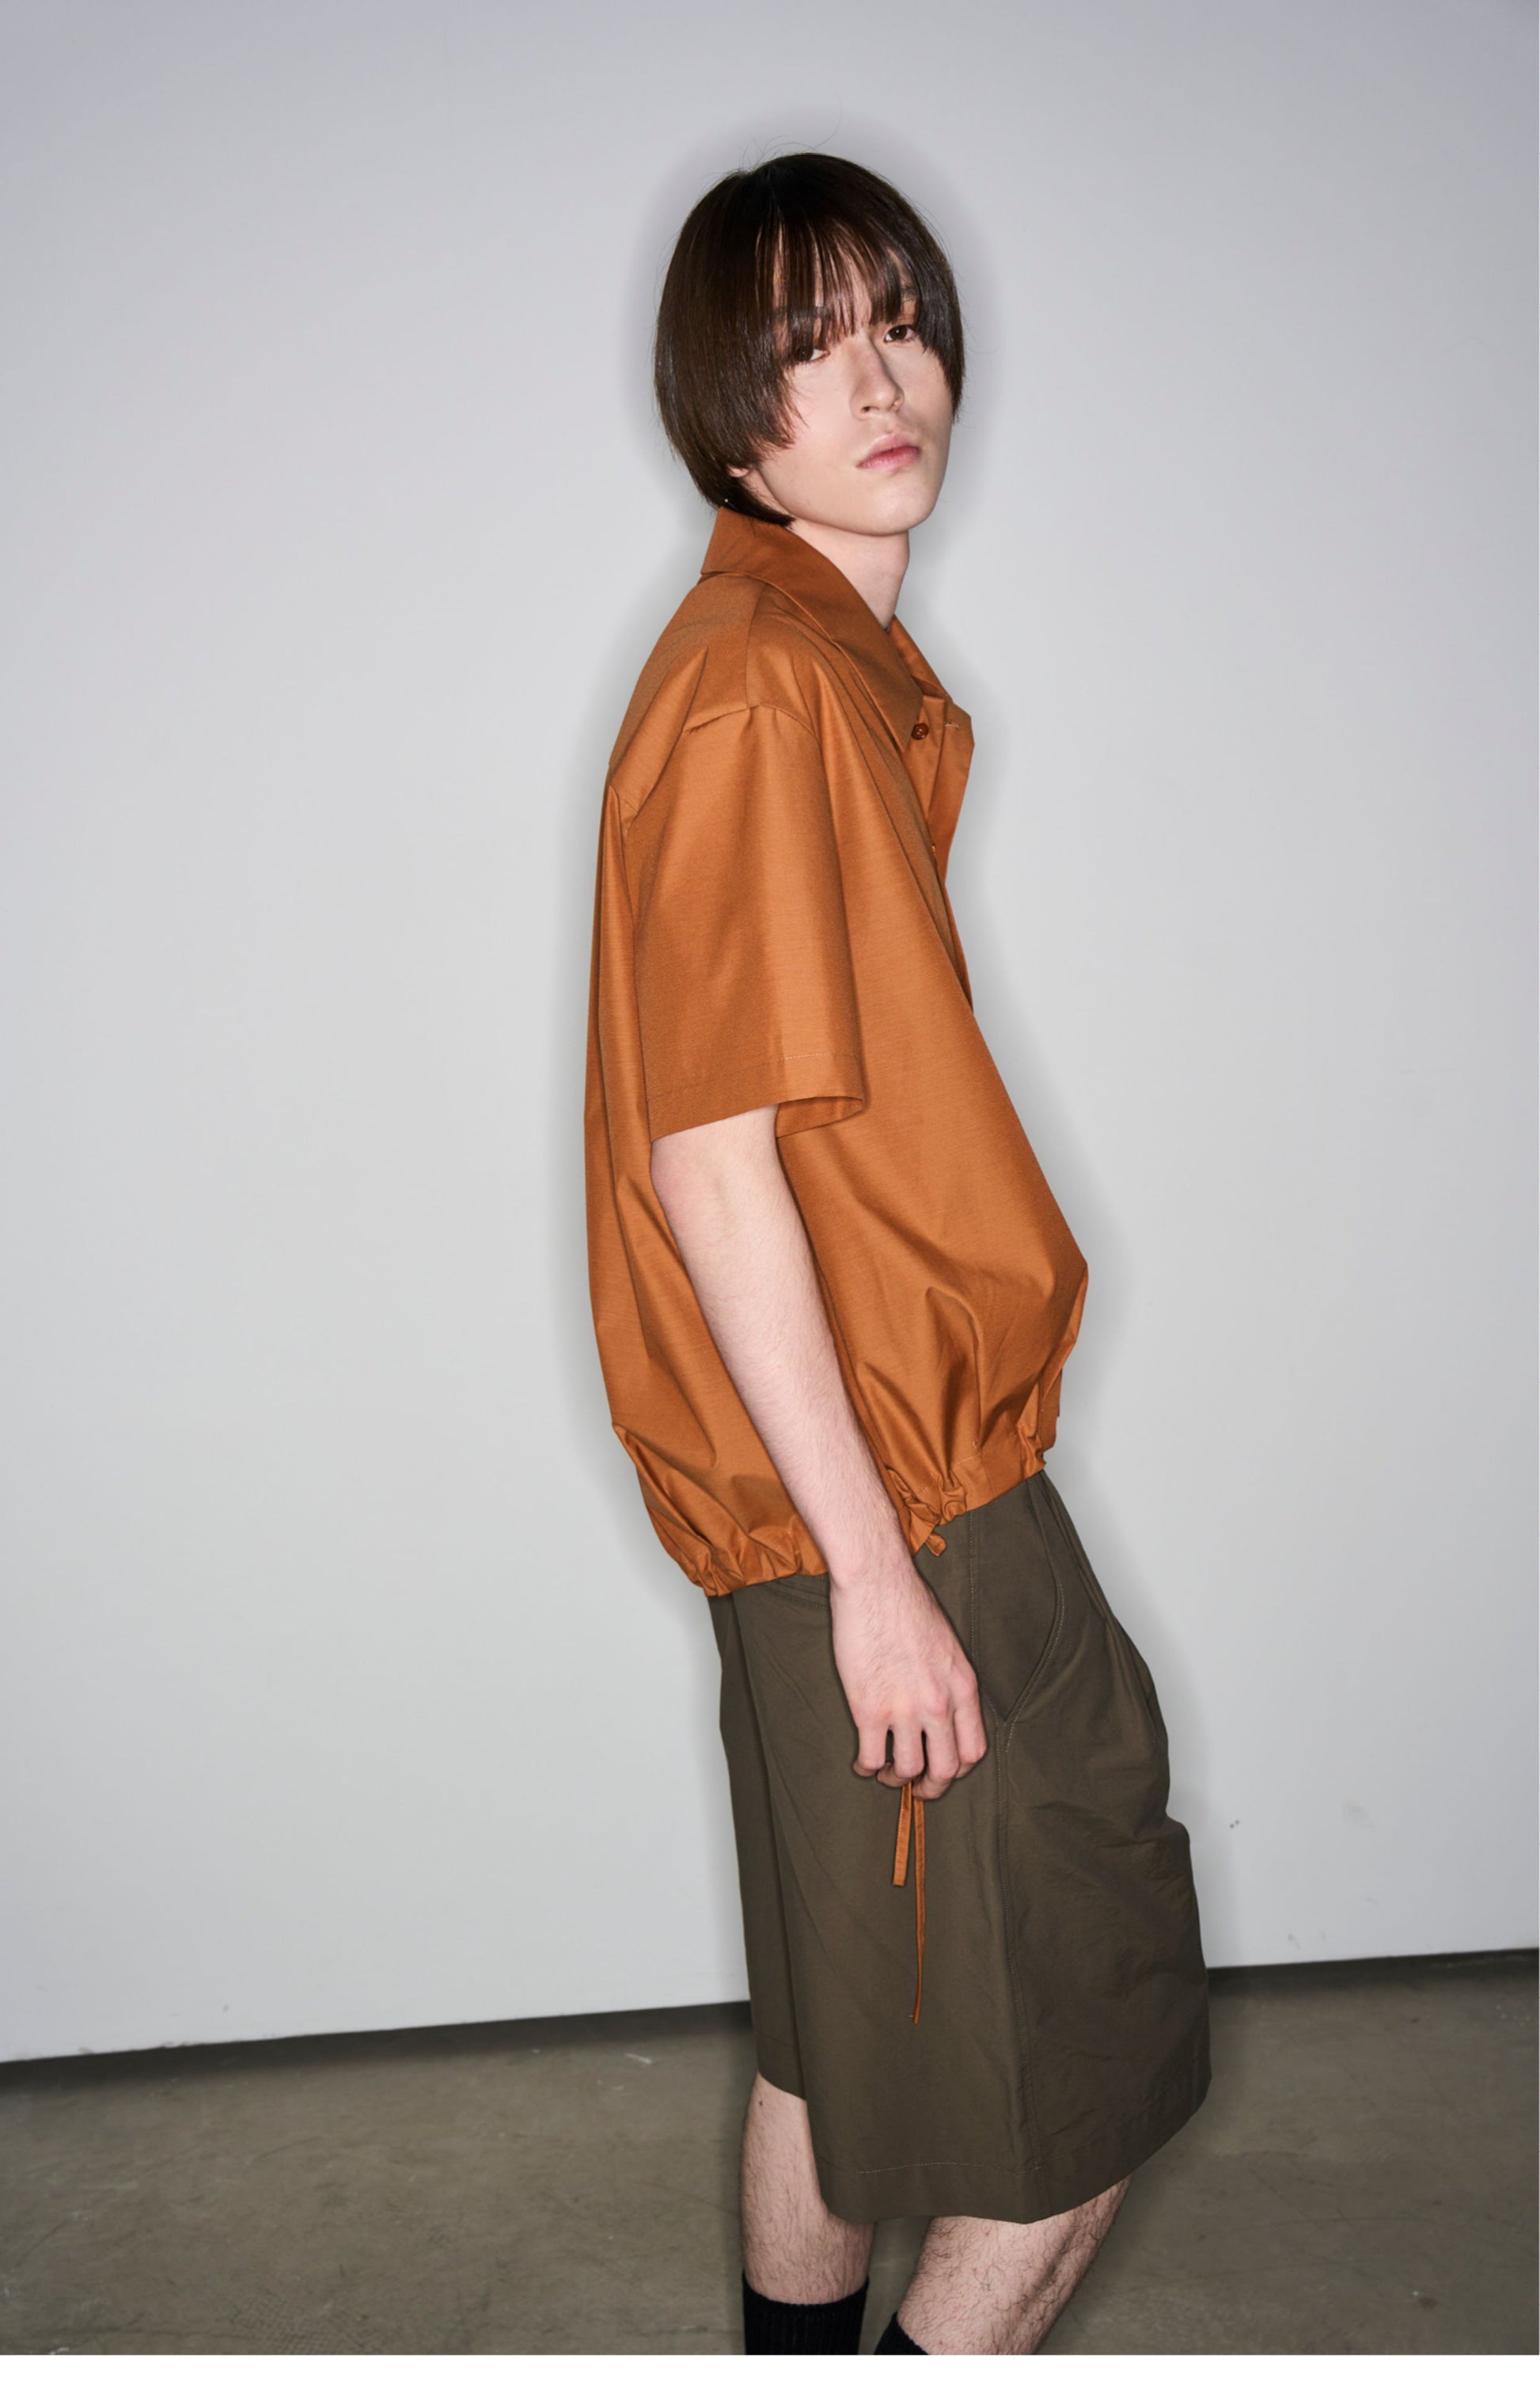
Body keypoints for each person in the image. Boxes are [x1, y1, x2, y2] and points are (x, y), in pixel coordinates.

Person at [583, 150, 1211, 2358]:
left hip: (838, 1501)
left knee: (831, 2061)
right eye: (807, 344)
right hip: (902, 1507)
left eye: (902, 323)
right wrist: (876, 1579)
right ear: (723, 413)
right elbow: (714, 1168)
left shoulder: (813, 672)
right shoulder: (764, 690)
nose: (880, 379)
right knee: (1073, 2103)